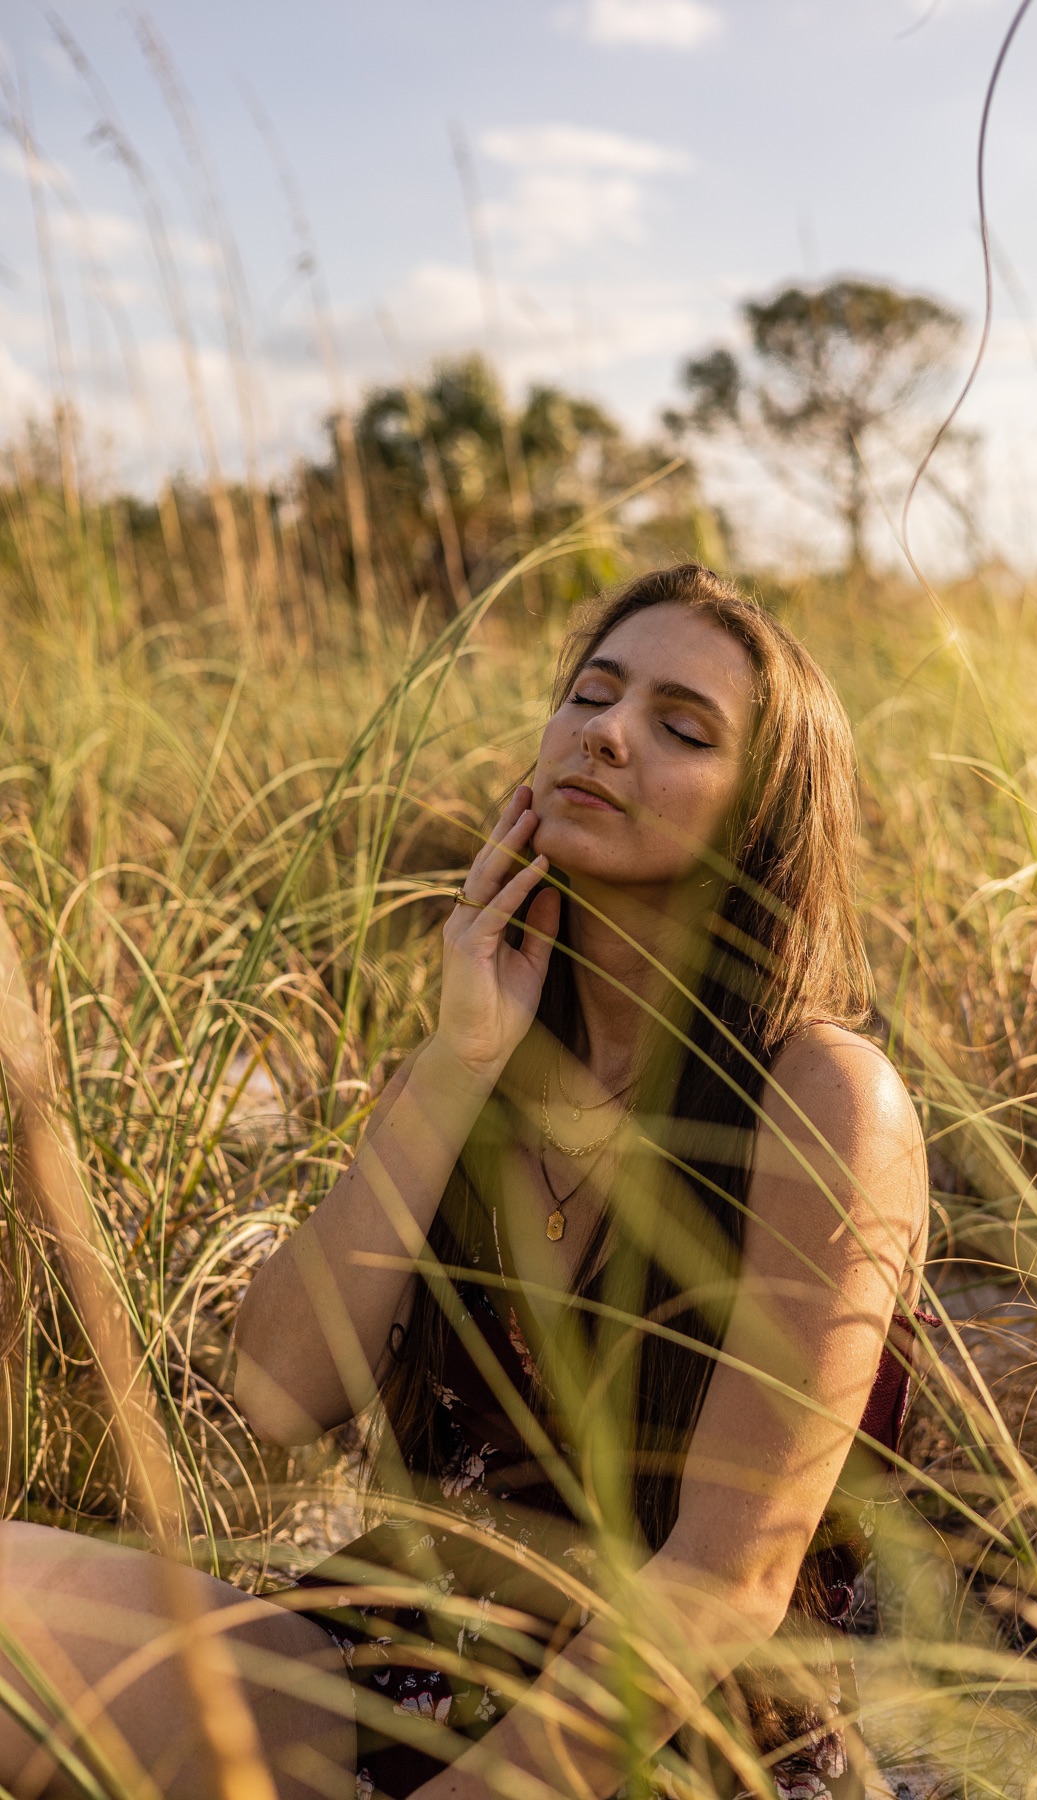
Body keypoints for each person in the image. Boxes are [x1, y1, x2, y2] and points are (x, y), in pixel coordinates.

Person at [0, 565, 928, 1800]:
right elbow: (275, 1392)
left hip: (666, 1738)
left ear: (759, 825)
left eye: (682, 728)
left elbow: (725, 1587)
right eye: (591, 695)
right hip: (399, 1658)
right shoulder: (475, 1061)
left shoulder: (826, 1100)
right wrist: (458, 1057)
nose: (607, 732)